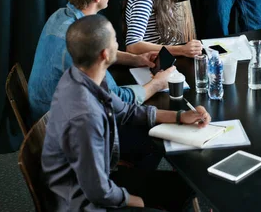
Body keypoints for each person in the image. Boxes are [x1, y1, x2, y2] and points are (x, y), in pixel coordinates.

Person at [42, 14, 210, 211]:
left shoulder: (84, 76)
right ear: (105, 54)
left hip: (95, 178)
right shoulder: (86, 117)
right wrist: (138, 203)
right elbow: (99, 191)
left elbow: (126, 110)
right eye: (114, 40)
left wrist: (180, 116)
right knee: (183, 191)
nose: (118, 43)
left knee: (176, 178)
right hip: (85, 202)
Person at [28, 0, 168, 123]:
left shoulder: (59, 16)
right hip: (58, 124)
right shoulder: (83, 40)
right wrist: (157, 84)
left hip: (43, 112)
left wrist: (136, 59)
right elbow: (116, 100)